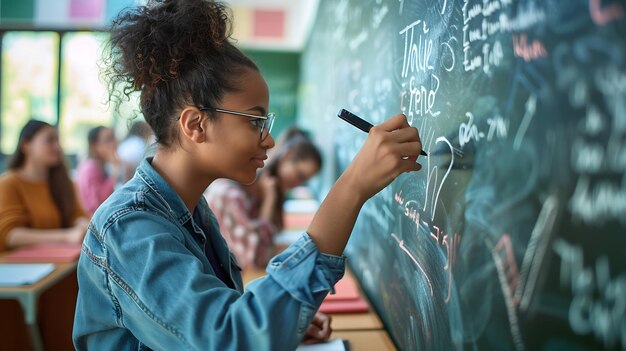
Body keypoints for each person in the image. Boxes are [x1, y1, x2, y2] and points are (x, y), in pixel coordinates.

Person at [72, 1, 423, 350]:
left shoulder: (191, 209)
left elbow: (216, 318)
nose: (269, 139)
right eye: (255, 121)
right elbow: (231, 340)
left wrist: (281, 322)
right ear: (196, 125)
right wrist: (352, 188)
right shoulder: (129, 228)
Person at [205, 127, 322, 269]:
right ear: (287, 156)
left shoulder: (261, 192)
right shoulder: (228, 194)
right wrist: (269, 201)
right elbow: (255, 259)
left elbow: (271, 240)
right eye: (300, 175)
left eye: (304, 181)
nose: (298, 184)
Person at [0, 120, 89, 253]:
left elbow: (76, 214)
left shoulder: (64, 182)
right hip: (21, 266)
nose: (57, 147)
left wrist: (81, 224)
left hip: (60, 261)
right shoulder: (9, 183)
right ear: (26, 145)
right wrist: (66, 236)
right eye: (49, 140)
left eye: (58, 140)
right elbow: (10, 235)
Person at [76, 126, 121, 215]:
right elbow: (98, 204)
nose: (115, 143)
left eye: (114, 138)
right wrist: (115, 171)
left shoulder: (101, 165)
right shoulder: (90, 168)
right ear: (94, 146)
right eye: (108, 140)